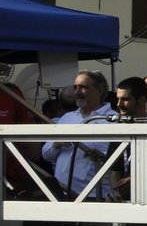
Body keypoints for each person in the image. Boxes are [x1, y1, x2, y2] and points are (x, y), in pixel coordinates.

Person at [42, 70, 118, 199]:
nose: (77, 92)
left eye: (83, 87)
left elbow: (122, 160)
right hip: (60, 193)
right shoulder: (67, 118)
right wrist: (55, 144)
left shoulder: (114, 120)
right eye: (75, 87)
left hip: (94, 195)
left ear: (99, 90)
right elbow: (46, 155)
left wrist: (102, 156)